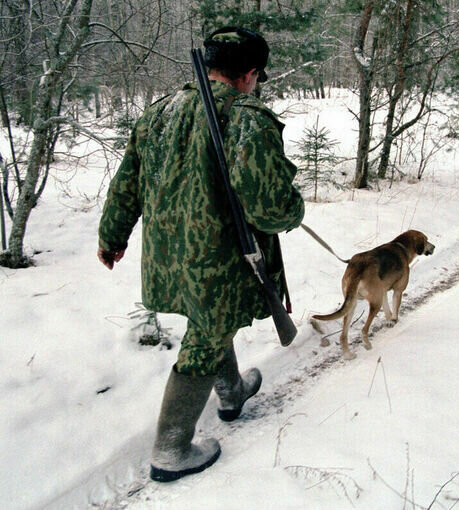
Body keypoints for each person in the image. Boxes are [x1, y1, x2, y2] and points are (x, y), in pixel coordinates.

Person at [97, 27, 305, 482]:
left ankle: (230, 392)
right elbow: (269, 209)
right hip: (219, 260)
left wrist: (112, 236)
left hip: (169, 254)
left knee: (211, 323)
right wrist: (295, 209)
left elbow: (126, 184)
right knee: (205, 337)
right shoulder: (247, 117)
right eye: (257, 76)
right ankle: (171, 450)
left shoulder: (158, 112)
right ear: (249, 74)